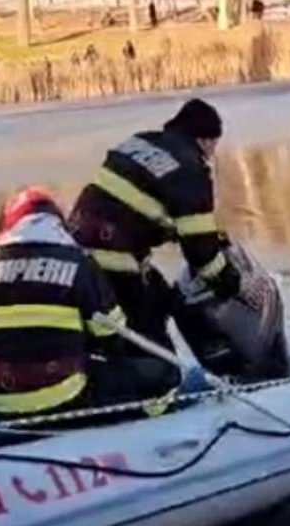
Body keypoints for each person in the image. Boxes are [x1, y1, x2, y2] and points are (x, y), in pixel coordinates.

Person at [0, 187, 179, 421]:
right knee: (162, 372)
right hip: (63, 399)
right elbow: (111, 335)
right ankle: (151, 427)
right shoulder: (78, 264)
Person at [68, 99, 241, 355]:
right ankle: (156, 387)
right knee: (149, 341)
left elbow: (134, 204)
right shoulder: (191, 169)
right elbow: (201, 252)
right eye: (214, 145)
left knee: (160, 296)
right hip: (116, 260)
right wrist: (225, 278)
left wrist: (170, 230)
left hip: (76, 252)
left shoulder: (139, 143)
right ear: (204, 140)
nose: (212, 154)